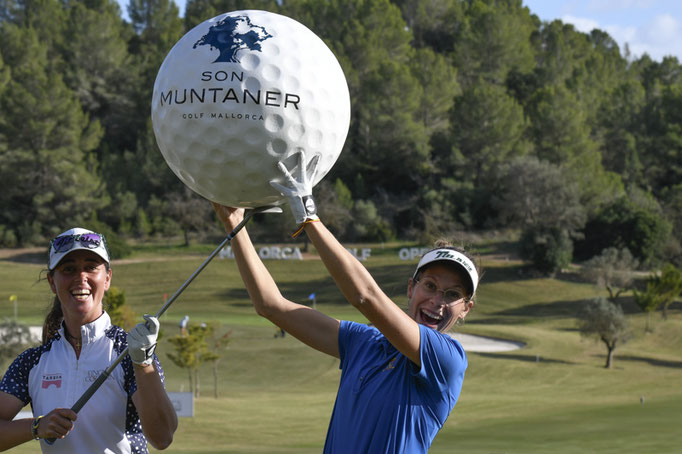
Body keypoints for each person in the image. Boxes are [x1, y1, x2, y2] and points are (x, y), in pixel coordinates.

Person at [212, 151, 480, 453]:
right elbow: (270, 305)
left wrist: (310, 219)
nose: (437, 301)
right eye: (430, 286)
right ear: (411, 288)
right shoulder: (363, 342)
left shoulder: (447, 359)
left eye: (452, 294)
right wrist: (235, 225)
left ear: (465, 309)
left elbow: (365, 297)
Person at [0, 228, 178, 453]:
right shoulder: (32, 362)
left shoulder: (129, 352)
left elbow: (163, 437)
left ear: (107, 278)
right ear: (52, 283)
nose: (80, 277)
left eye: (91, 267)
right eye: (69, 269)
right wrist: (36, 426)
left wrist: (143, 363)